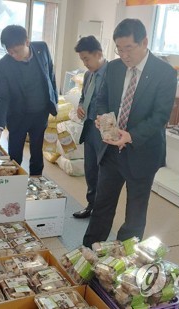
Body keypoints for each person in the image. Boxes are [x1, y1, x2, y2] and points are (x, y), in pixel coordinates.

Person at [82, 19, 177, 246]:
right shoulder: (114, 68)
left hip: (142, 152)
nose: (124, 55)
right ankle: (90, 249)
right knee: (102, 204)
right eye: (119, 49)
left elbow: (160, 116)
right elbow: (102, 99)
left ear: (144, 42)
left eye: (129, 48)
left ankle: (123, 259)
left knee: (135, 212)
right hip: (111, 150)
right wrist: (104, 120)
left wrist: (130, 135)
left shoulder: (164, 73)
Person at [0, 25, 58, 176]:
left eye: (16, 51)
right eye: (10, 51)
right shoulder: (3, 65)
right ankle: (14, 183)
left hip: (40, 113)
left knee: (37, 152)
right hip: (17, 116)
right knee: (15, 154)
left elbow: (50, 73)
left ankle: (37, 182)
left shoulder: (42, 48)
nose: (13, 55)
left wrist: (54, 100)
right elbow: (2, 97)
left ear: (27, 42)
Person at [72, 36, 107, 219]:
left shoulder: (113, 74)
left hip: (104, 132)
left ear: (98, 54)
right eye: (82, 59)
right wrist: (80, 106)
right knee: (90, 170)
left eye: (87, 58)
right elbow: (84, 96)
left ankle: (101, 210)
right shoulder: (88, 75)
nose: (85, 63)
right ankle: (90, 205)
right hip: (89, 129)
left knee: (104, 174)